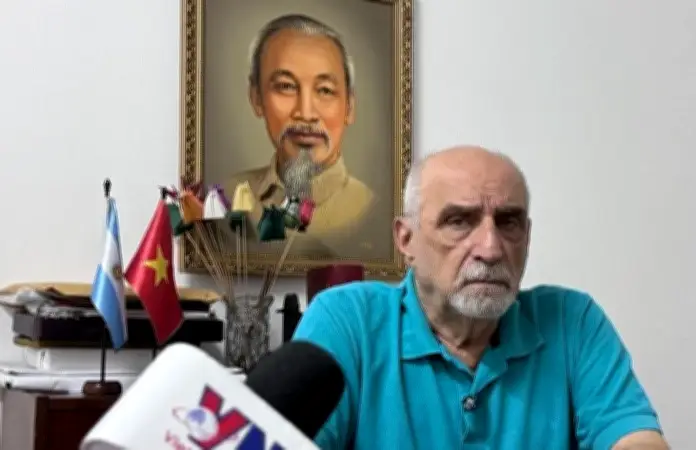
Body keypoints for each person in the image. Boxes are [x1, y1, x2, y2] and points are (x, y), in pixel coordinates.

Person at [292, 146, 669, 449]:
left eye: (508, 222)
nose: (490, 249)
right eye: (459, 221)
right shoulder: (347, 322)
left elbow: (637, 439)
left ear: (527, 237)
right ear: (406, 240)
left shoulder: (572, 321)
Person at [224, 14, 375, 257]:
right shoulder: (228, 196)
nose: (306, 114)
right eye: (286, 86)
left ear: (349, 107)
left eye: (325, 90)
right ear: (256, 97)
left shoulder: (370, 211)